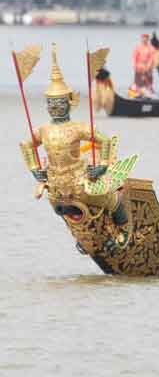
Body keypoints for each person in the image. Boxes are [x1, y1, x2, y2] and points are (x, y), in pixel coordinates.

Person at [20, 45, 128, 253]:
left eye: (59, 102)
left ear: (70, 103)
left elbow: (104, 141)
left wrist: (103, 166)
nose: (55, 106)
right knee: (61, 208)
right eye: (51, 103)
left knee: (111, 199)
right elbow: (26, 145)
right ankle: (83, 234)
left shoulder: (78, 128)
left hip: (80, 182)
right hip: (56, 187)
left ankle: (123, 231)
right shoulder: (43, 130)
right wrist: (34, 168)